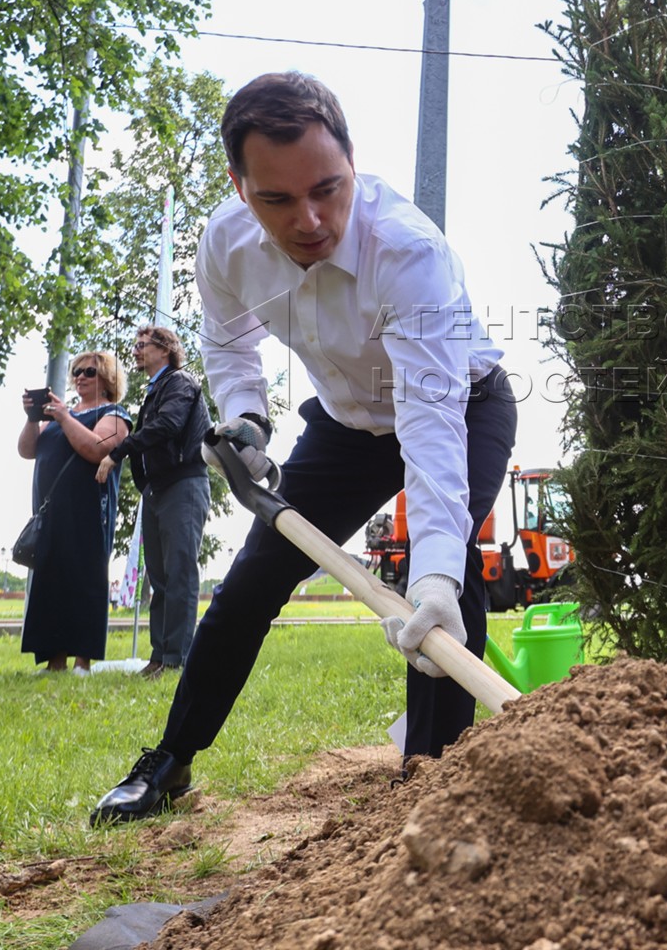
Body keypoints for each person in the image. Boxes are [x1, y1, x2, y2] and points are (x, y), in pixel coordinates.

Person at [91, 71, 516, 825]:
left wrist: (439, 570)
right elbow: (229, 344)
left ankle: (432, 781)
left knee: (444, 583)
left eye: (329, 188)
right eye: (278, 200)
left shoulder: (410, 253)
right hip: (348, 427)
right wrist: (249, 422)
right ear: (240, 186)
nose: (311, 220)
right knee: (251, 584)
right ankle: (170, 761)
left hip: (462, 407)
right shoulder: (226, 244)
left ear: (354, 160)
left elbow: (430, 421)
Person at [97, 325, 213, 679]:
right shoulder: (155, 388)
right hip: (159, 489)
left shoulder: (180, 382)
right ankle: (159, 656)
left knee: (180, 571)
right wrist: (146, 483)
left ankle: (177, 659)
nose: (135, 351)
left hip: (184, 486)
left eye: (142, 345)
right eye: (135, 345)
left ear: (165, 349)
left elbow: (169, 425)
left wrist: (117, 453)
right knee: (160, 577)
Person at [17, 350, 131, 674]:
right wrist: (32, 418)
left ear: (107, 378)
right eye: (77, 371)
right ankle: (54, 660)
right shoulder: (58, 415)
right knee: (50, 581)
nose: (80, 376)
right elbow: (27, 450)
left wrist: (65, 417)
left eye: (89, 372)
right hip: (51, 513)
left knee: (84, 578)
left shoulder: (113, 413)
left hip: (88, 511)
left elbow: (98, 449)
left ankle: (83, 660)